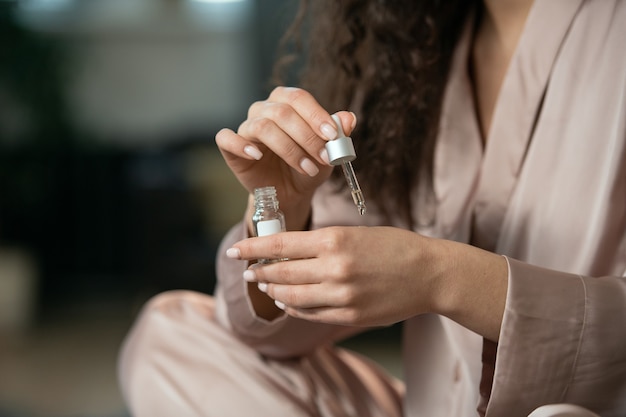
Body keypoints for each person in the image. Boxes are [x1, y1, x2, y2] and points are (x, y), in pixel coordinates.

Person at [118, 1, 626, 416]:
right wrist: (284, 206)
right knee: (173, 338)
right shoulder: (415, 57)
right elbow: (271, 332)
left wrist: (441, 276)